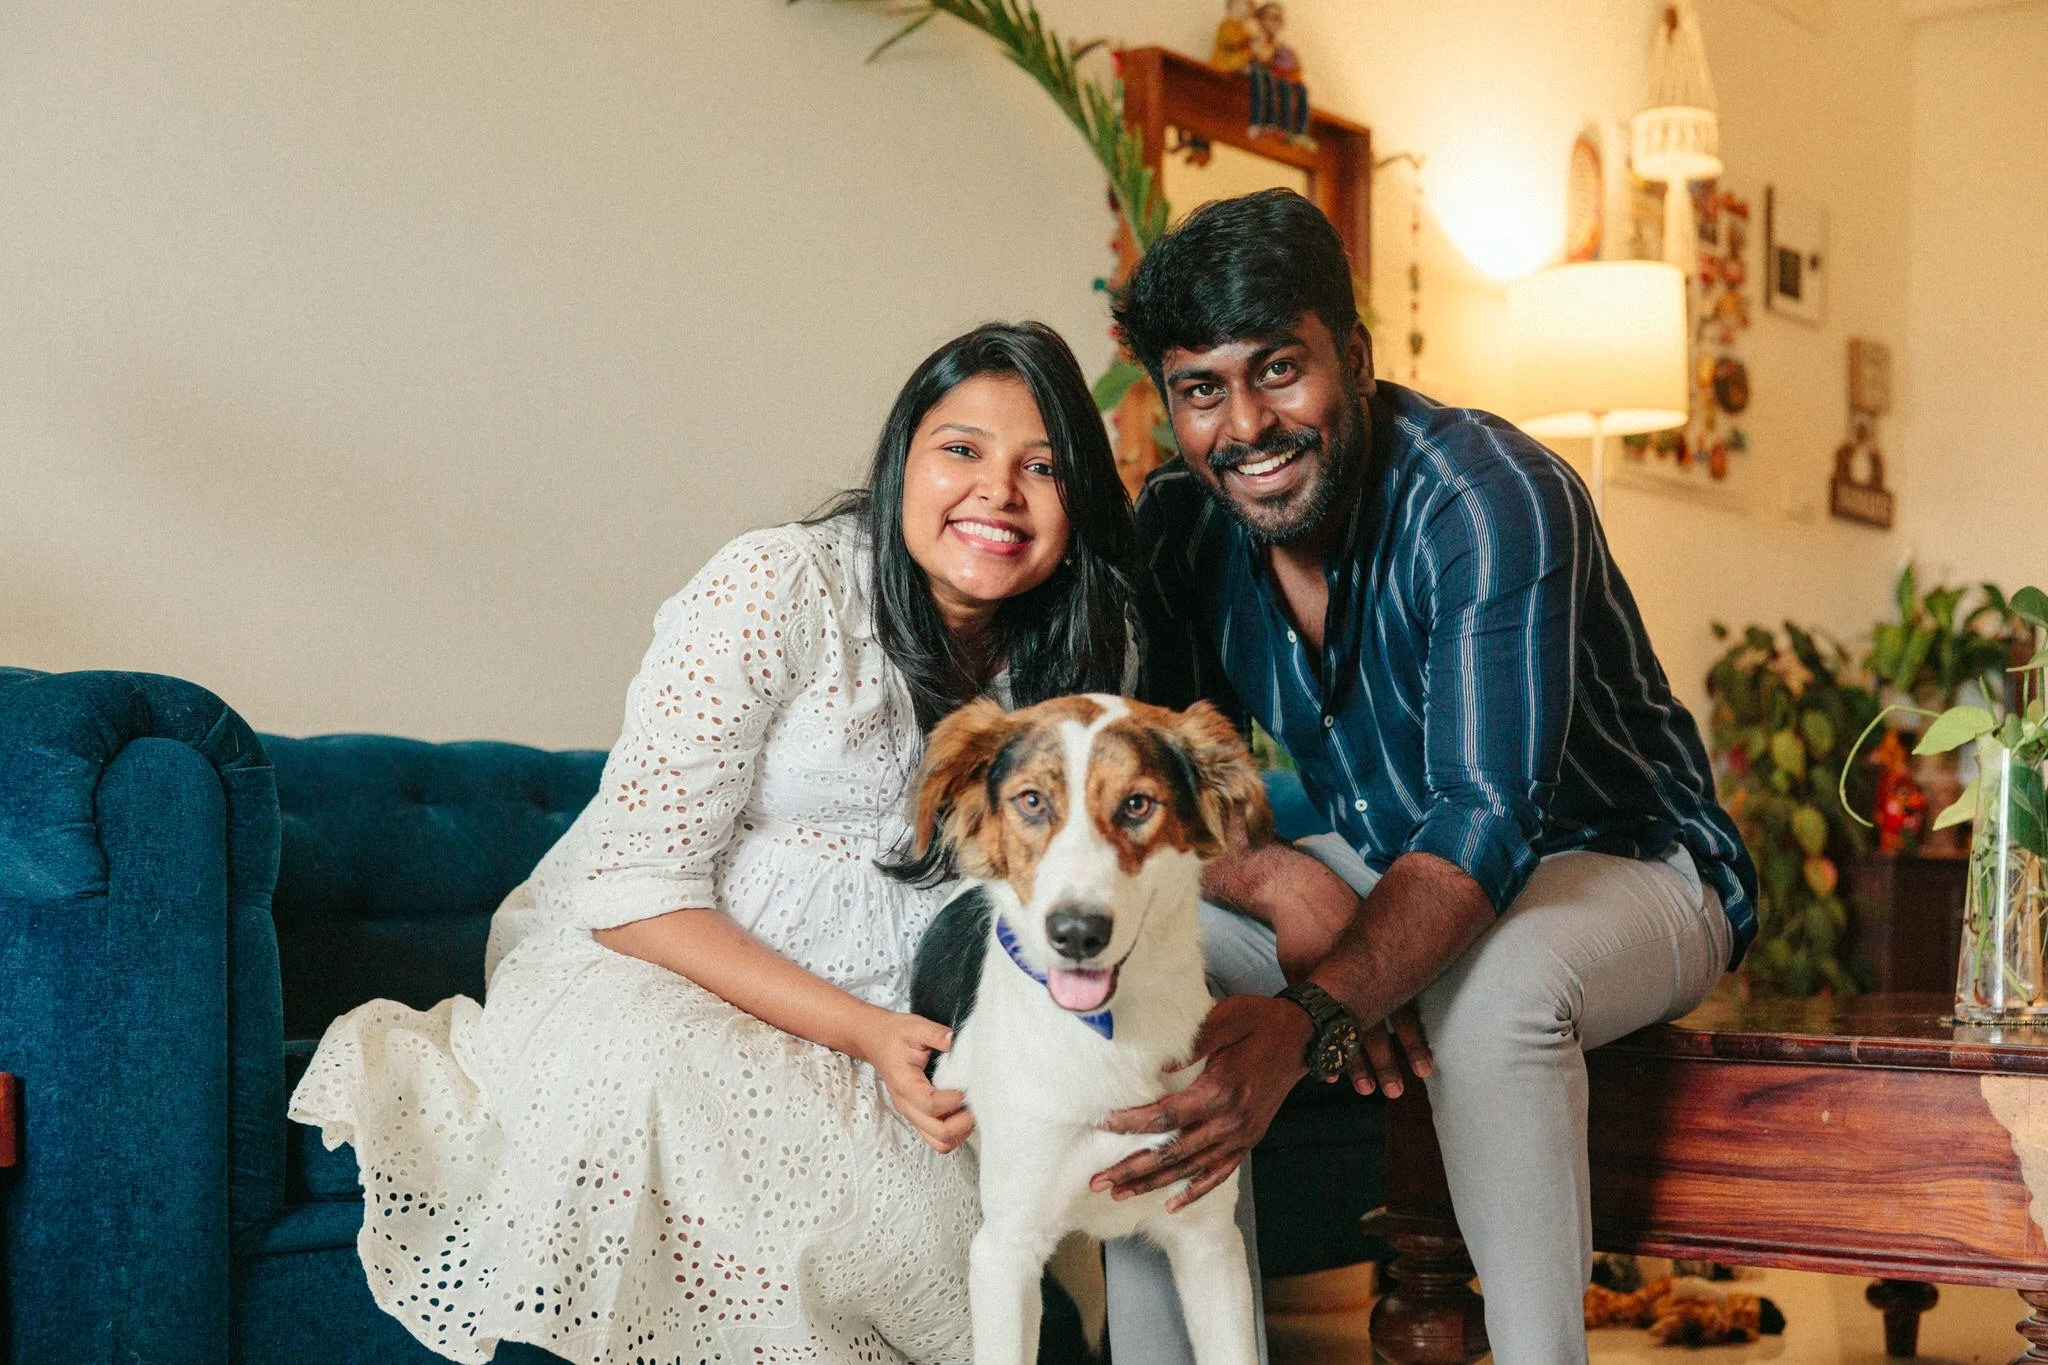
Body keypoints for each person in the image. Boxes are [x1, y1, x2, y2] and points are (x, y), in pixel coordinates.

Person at [290, 321, 1144, 1365]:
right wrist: (863, 1037)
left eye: (1041, 466)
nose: (997, 492)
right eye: (961, 449)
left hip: (905, 1021)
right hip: (662, 968)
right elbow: (635, 893)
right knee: (748, 1128)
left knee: (992, 1207)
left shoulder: (1083, 658)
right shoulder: (781, 587)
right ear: (902, 462)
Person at [1096, 189, 1758, 1365]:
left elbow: (1485, 823)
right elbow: (1154, 776)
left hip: (1625, 859)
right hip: (1385, 852)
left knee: (1489, 988)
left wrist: (1313, 1015)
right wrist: (1276, 879)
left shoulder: (1488, 498)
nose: (1244, 425)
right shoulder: (1183, 528)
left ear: (1351, 356)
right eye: (1201, 389)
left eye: (1278, 370)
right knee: (1138, 979)